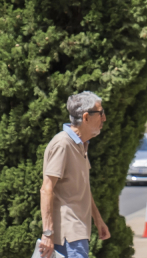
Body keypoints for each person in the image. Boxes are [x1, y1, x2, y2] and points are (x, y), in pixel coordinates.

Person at [39, 91, 111, 258]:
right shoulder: (63, 144)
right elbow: (46, 189)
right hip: (68, 235)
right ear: (86, 117)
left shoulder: (80, 144)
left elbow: (82, 187)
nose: (104, 118)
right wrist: (48, 233)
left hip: (77, 233)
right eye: (101, 113)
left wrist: (98, 220)